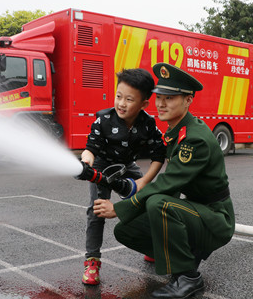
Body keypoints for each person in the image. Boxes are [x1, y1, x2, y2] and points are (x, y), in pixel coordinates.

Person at [94, 63, 235, 298]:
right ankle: (184, 258)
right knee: (126, 231)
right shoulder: (177, 131)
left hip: (215, 218)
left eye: (170, 98)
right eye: (159, 97)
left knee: (159, 202)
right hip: (195, 211)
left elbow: (166, 185)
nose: (161, 104)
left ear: (188, 100)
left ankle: (188, 277)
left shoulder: (194, 139)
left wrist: (119, 208)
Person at [79, 68, 167, 285]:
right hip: (100, 165)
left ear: (144, 104)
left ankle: (150, 247)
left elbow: (159, 155)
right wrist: (87, 160)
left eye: (129, 99)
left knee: (148, 202)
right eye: (119, 96)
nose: (121, 103)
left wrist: (143, 182)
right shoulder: (103, 120)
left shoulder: (147, 123)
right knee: (96, 211)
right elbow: (90, 148)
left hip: (127, 166)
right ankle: (92, 261)